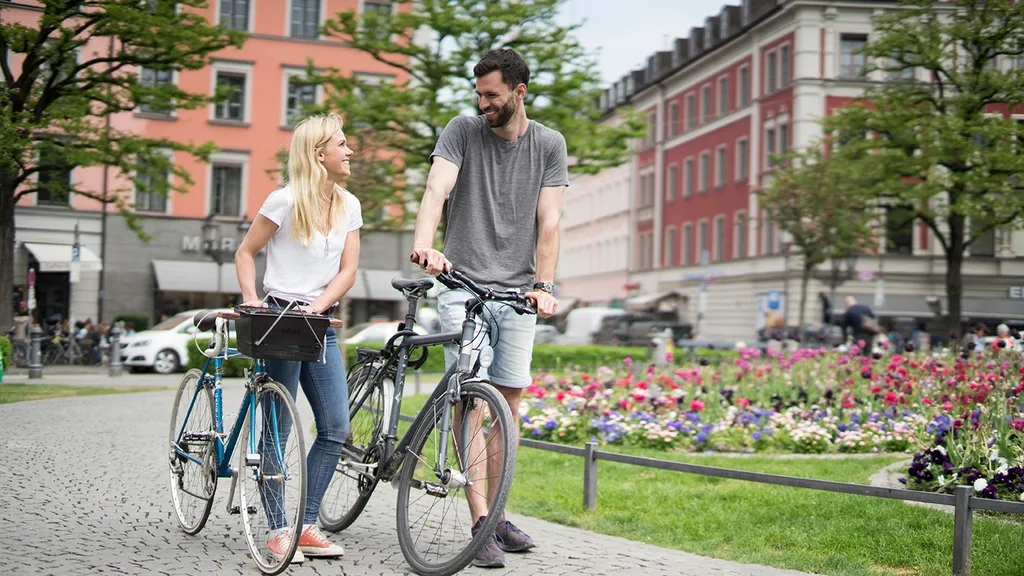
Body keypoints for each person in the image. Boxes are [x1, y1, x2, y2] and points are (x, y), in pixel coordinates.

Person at [410, 48, 568, 568]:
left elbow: (550, 223)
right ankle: (480, 523)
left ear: (519, 92)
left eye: (492, 95)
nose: (483, 104)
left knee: (510, 405)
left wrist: (545, 283)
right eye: (479, 94)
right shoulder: (461, 130)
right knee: (472, 400)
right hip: (462, 284)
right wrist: (427, 245)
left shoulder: (548, 144)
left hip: (520, 292)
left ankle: (498, 513)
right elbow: (436, 190)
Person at [235, 112, 361, 563]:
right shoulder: (283, 201)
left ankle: (305, 523)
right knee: (277, 427)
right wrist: (251, 297)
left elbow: (347, 271)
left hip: (318, 324)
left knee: (335, 428)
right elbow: (246, 253)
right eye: (342, 144)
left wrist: (319, 306)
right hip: (276, 322)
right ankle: (276, 528)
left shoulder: (349, 205)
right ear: (317, 153)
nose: (350, 151)